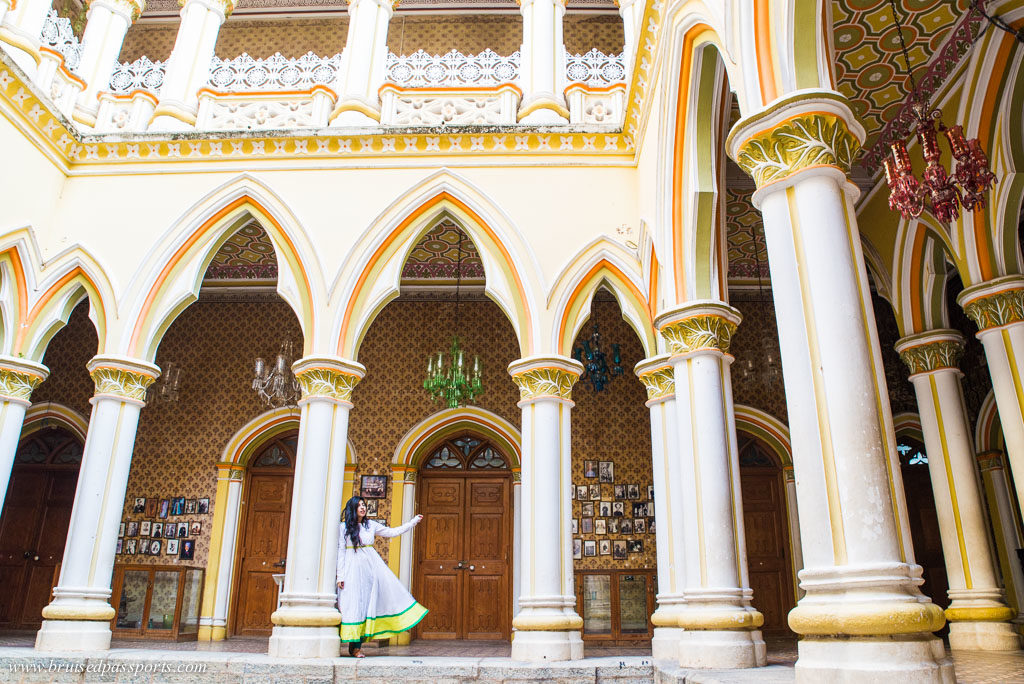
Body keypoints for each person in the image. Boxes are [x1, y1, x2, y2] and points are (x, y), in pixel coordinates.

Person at [336, 496, 427, 657]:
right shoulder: (343, 528)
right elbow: (341, 552)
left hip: (370, 570)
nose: (363, 508)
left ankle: (356, 647)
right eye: (359, 506)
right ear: (352, 509)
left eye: (364, 505)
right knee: (351, 605)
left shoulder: (370, 525)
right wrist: (340, 576)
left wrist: (412, 522)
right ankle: (349, 643)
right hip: (351, 570)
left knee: (366, 606)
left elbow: (392, 532)